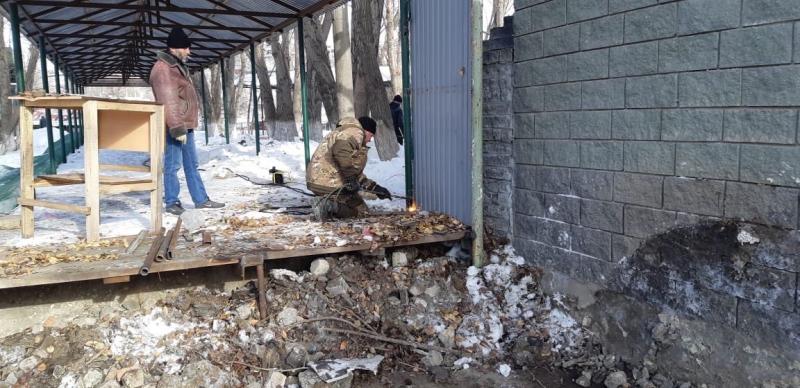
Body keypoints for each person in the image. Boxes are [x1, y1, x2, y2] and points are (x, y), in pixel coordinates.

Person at [150, 27, 224, 215]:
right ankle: (172, 202)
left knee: (192, 164)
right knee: (173, 165)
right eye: (186, 48)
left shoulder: (175, 66)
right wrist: (176, 127)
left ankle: (201, 199)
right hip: (175, 125)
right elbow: (168, 101)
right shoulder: (163, 69)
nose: (189, 52)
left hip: (185, 124)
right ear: (175, 48)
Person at [306, 117, 392, 219]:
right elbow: (340, 151)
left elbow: (353, 172)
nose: (369, 140)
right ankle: (328, 206)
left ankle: (328, 205)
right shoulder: (356, 132)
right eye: (371, 135)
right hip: (328, 182)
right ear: (366, 131)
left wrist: (375, 188)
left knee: (360, 207)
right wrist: (350, 179)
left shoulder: (345, 132)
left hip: (319, 180)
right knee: (361, 212)